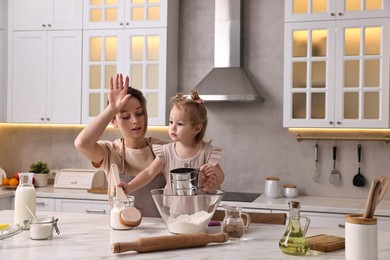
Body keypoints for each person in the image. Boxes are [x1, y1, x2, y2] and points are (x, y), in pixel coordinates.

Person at [74, 73, 168, 217]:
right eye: (125, 116)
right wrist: (112, 109)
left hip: (159, 232)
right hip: (122, 230)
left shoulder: (163, 149)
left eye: (140, 113)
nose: (135, 120)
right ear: (113, 121)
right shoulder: (110, 152)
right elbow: (82, 143)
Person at [118, 90, 225, 197]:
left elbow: (221, 177)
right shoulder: (166, 151)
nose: (172, 127)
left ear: (196, 129)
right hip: (174, 210)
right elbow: (149, 173)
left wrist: (213, 172)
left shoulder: (206, 152)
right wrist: (130, 186)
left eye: (179, 124)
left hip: (201, 210)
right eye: (171, 122)